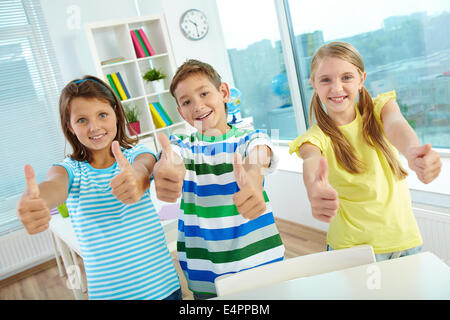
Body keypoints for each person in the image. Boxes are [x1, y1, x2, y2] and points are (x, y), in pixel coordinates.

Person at [16, 76, 181, 300]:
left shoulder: (138, 154)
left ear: (115, 113)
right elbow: (54, 186)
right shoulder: (69, 170)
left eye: (102, 115)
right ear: (70, 127)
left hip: (164, 289)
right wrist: (38, 201)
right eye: (82, 120)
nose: (94, 127)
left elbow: (144, 168)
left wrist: (138, 178)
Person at [289, 41, 442, 262]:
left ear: (362, 79)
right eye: (325, 80)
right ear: (313, 83)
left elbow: (396, 125)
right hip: (354, 252)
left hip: (406, 242)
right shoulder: (314, 138)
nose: (337, 88)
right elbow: (311, 160)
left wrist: (412, 152)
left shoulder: (381, 109)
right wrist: (314, 188)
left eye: (347, 77)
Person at [153, 59, 285, 299]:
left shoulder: (250, 138)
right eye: (186, 102)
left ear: (223, 92)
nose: (197, 105)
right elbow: (172, 158)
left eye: (204, 93)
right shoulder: (182, 145)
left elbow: (259, 151)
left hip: (261, 263)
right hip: (206, 271)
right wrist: (168, 168)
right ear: (181, 112)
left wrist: (254, 176)